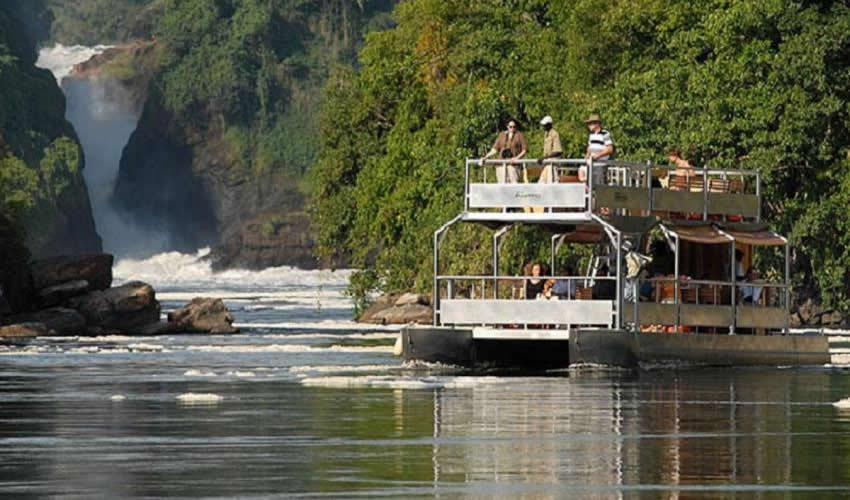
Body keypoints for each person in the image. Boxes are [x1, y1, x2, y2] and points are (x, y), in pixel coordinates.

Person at [484, 119, 528, 183]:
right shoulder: (502, 135)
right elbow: (495, 149)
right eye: (510, 127)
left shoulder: (519, 135)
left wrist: (516, 158)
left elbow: (525, 150)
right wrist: (486, 156)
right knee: (502, 185)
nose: (512, 128)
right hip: (501, 164)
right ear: (507, 127)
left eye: (514, 127)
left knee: (514, 185)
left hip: (513, 165)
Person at [580, 113, 614, 184]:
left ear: (596, 124)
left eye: (590, 123)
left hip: (601, 165)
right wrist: (587, 157)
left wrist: (598, 155)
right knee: (590, 184)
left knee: (599, 185)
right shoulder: (591, 135)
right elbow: (590, 147)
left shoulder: (605, 133)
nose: (589, 126)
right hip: (591, 164)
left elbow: (610, 149)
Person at [536, 115, 563, 184]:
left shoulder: (555, 134)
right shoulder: (546, 134)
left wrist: (544, 157)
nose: (543, 126)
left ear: (549, 124)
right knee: (542, 182)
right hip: (547, 163)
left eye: (545, 125)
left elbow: (558, 151)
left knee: (551, 181)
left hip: (553, 163)